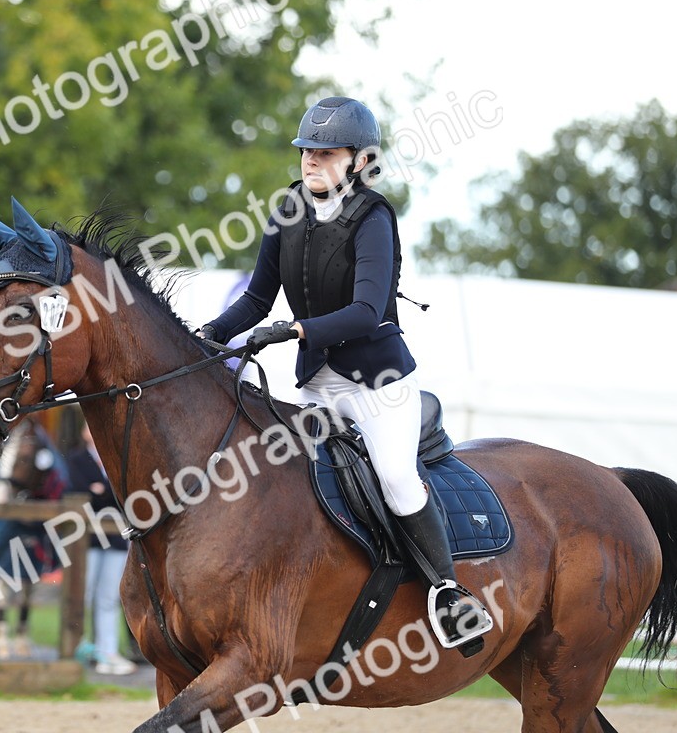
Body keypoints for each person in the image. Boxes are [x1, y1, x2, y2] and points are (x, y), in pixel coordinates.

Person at [197, 96, 492, 649]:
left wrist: (296, 331)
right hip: (318, 386)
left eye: (325, 153)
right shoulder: (286, 208)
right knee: (283, 478)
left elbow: (366, 309)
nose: (310, 161)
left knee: (397, 476)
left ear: (358, 161)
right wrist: (207, 336)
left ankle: (449, 593)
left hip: (379, 383)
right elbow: (258, 298)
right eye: (306, 151)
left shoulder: (374, 217)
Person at [65, 422, 136, 675]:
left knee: (108, 596)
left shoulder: (117, 457)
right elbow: (78, 491)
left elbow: (121, 492)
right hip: (86, 539)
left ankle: (108, 651)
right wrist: (104, 491)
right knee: (83, 593)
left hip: (117, 537)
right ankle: (79, 646)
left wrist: (101, 489)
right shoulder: (76, 459)